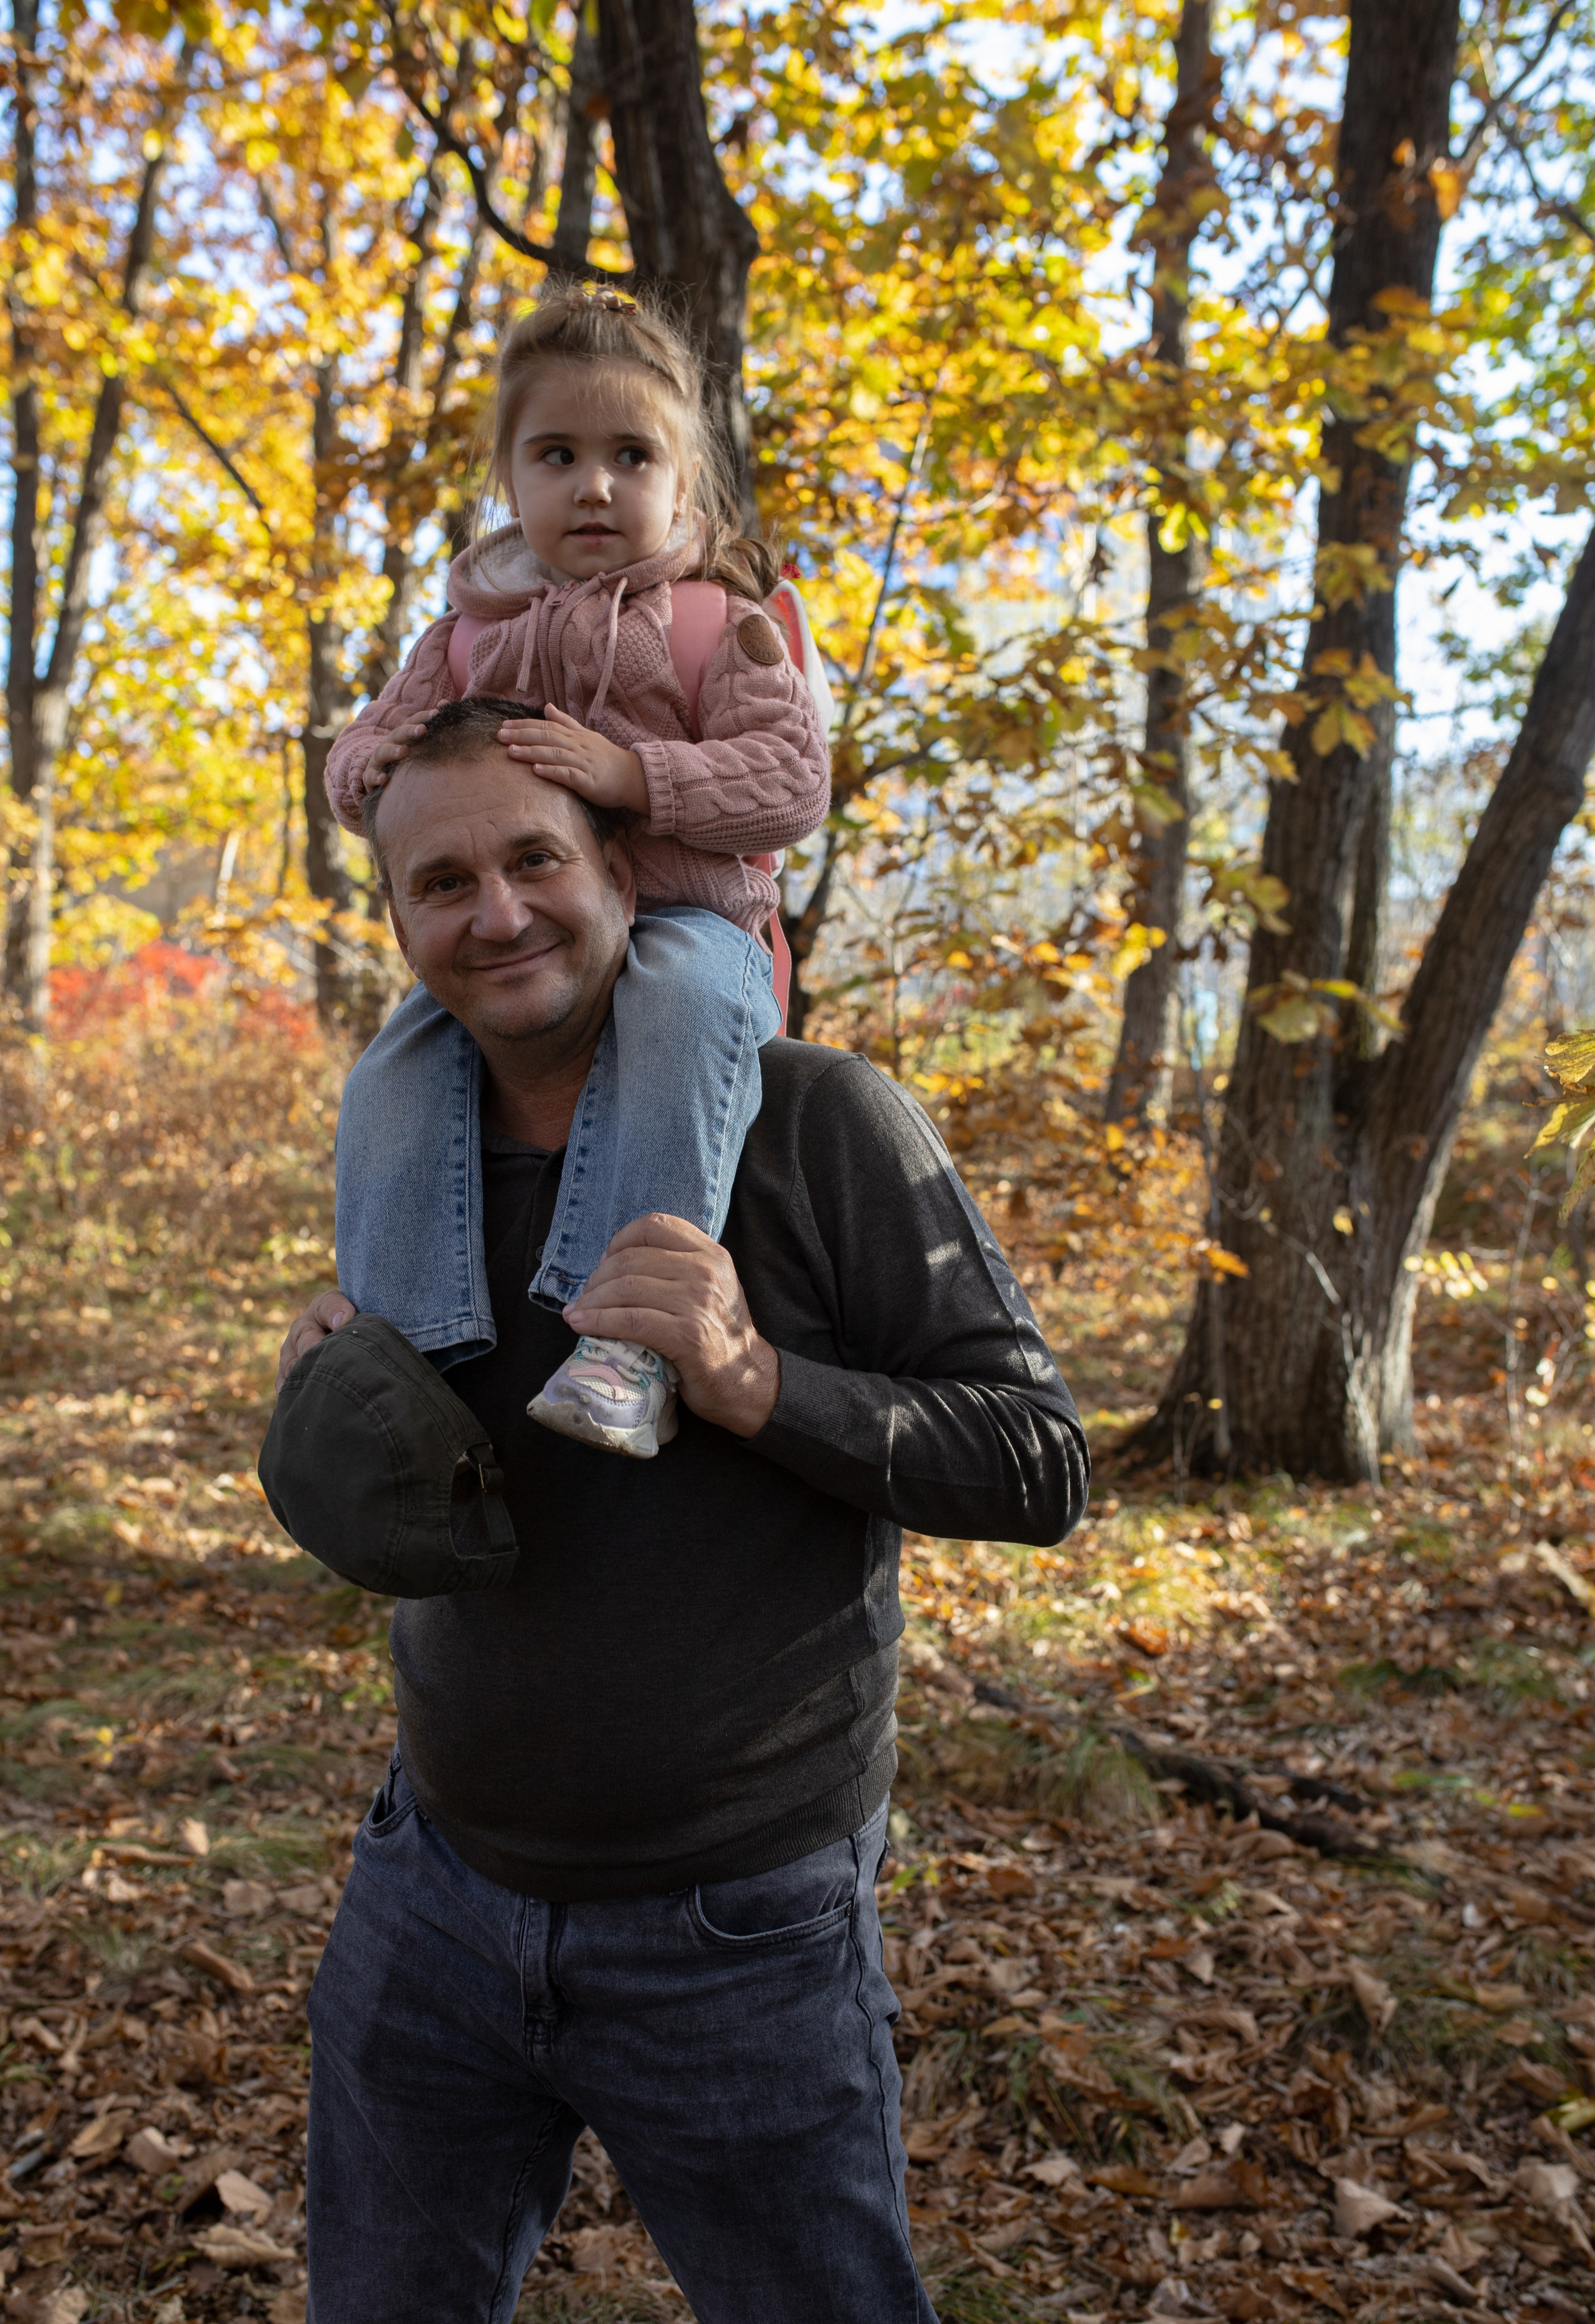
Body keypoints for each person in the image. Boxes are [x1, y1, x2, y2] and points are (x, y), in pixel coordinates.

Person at [277, 710, 1090, 2324]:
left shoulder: (821, 1122)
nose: (496, 912)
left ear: (620, 875)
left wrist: (754, 1377)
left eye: (534, 860)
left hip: (737, 1930)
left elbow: (1035, 1462)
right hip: (431, 1891)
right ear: (397, 923)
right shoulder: (403, 1151)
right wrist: (325, 1394)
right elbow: (427, 1490)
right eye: (443, 881)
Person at [325, 284, 830, 1457]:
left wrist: (632, 773)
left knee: (683, 1005)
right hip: (532, 950)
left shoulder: (721, 620)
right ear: (512, 477)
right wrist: (375, 767)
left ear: (681, 483)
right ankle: (402, 1356)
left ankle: (626, 1341)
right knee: (393, 1068)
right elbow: (361, 758)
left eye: (630, 455)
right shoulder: (462, 637)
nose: (594, 485)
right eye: (558, 455)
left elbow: (790, 783)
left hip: (692, 929)